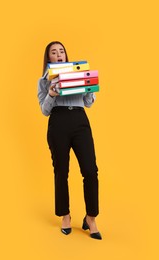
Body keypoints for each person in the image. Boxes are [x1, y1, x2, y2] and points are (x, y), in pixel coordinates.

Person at [37, 41, 102, 240]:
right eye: (54, 52)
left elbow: (88, 104)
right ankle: (65, 215)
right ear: (49, 58)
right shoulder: (43, 81)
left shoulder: (79, 74)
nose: (59, 54)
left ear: (66, 55)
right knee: (61, 171)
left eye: (61, 51)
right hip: (58, 123)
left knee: (90, 170)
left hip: (80, 121)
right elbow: (44, 110)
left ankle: (90, 218)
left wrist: (90, 88)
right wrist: (50, 93)